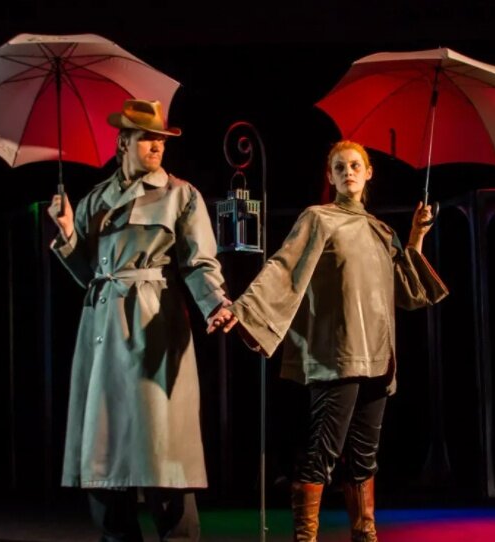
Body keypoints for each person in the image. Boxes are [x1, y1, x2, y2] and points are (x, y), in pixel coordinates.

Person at [207, 140, 449, 542]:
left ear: (368, 173)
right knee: (322, 453)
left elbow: (406, 289)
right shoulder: (318, 218)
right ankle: (305, 537)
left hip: (379, 356)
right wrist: (244, 308)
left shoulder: (381, 230)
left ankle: (365, 533)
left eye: (354, 166)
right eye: (340, 167)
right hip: (339, 355)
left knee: (364, 458)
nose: (348, 172)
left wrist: (416, 235)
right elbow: (283, 266)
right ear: (330, 177)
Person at [47, 99, 235, 542]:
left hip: (154, 324)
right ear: (123, 143)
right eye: (147, 138)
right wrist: (68, 232)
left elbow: (199, 262)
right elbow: (89, 274)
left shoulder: (180, 195)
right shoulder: (95, 199)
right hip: (102, 329)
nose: (156, 146)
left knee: (162, 451)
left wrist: (216, 304)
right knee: (104, 455)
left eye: (161, 140)